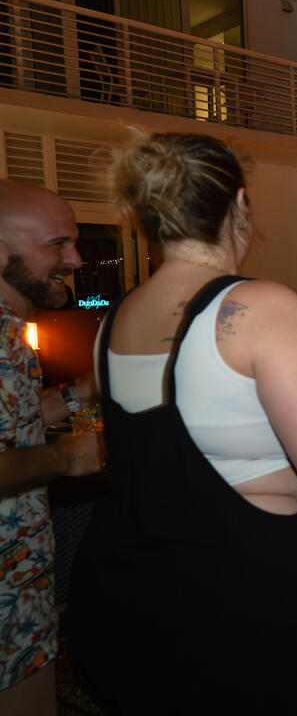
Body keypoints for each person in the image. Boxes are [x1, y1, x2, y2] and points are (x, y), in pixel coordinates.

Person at [68, 132, 297, 714]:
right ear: (238, 206)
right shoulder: (261, 307)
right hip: (247, 601)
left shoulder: (114, 319)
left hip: (141, 593)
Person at [0, 180, 105, 715]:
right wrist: (67, 457)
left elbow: (13, 420)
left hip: (21, 580)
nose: (76, 259)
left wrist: (81, 392)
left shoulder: (13, 332)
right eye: (57, 244)